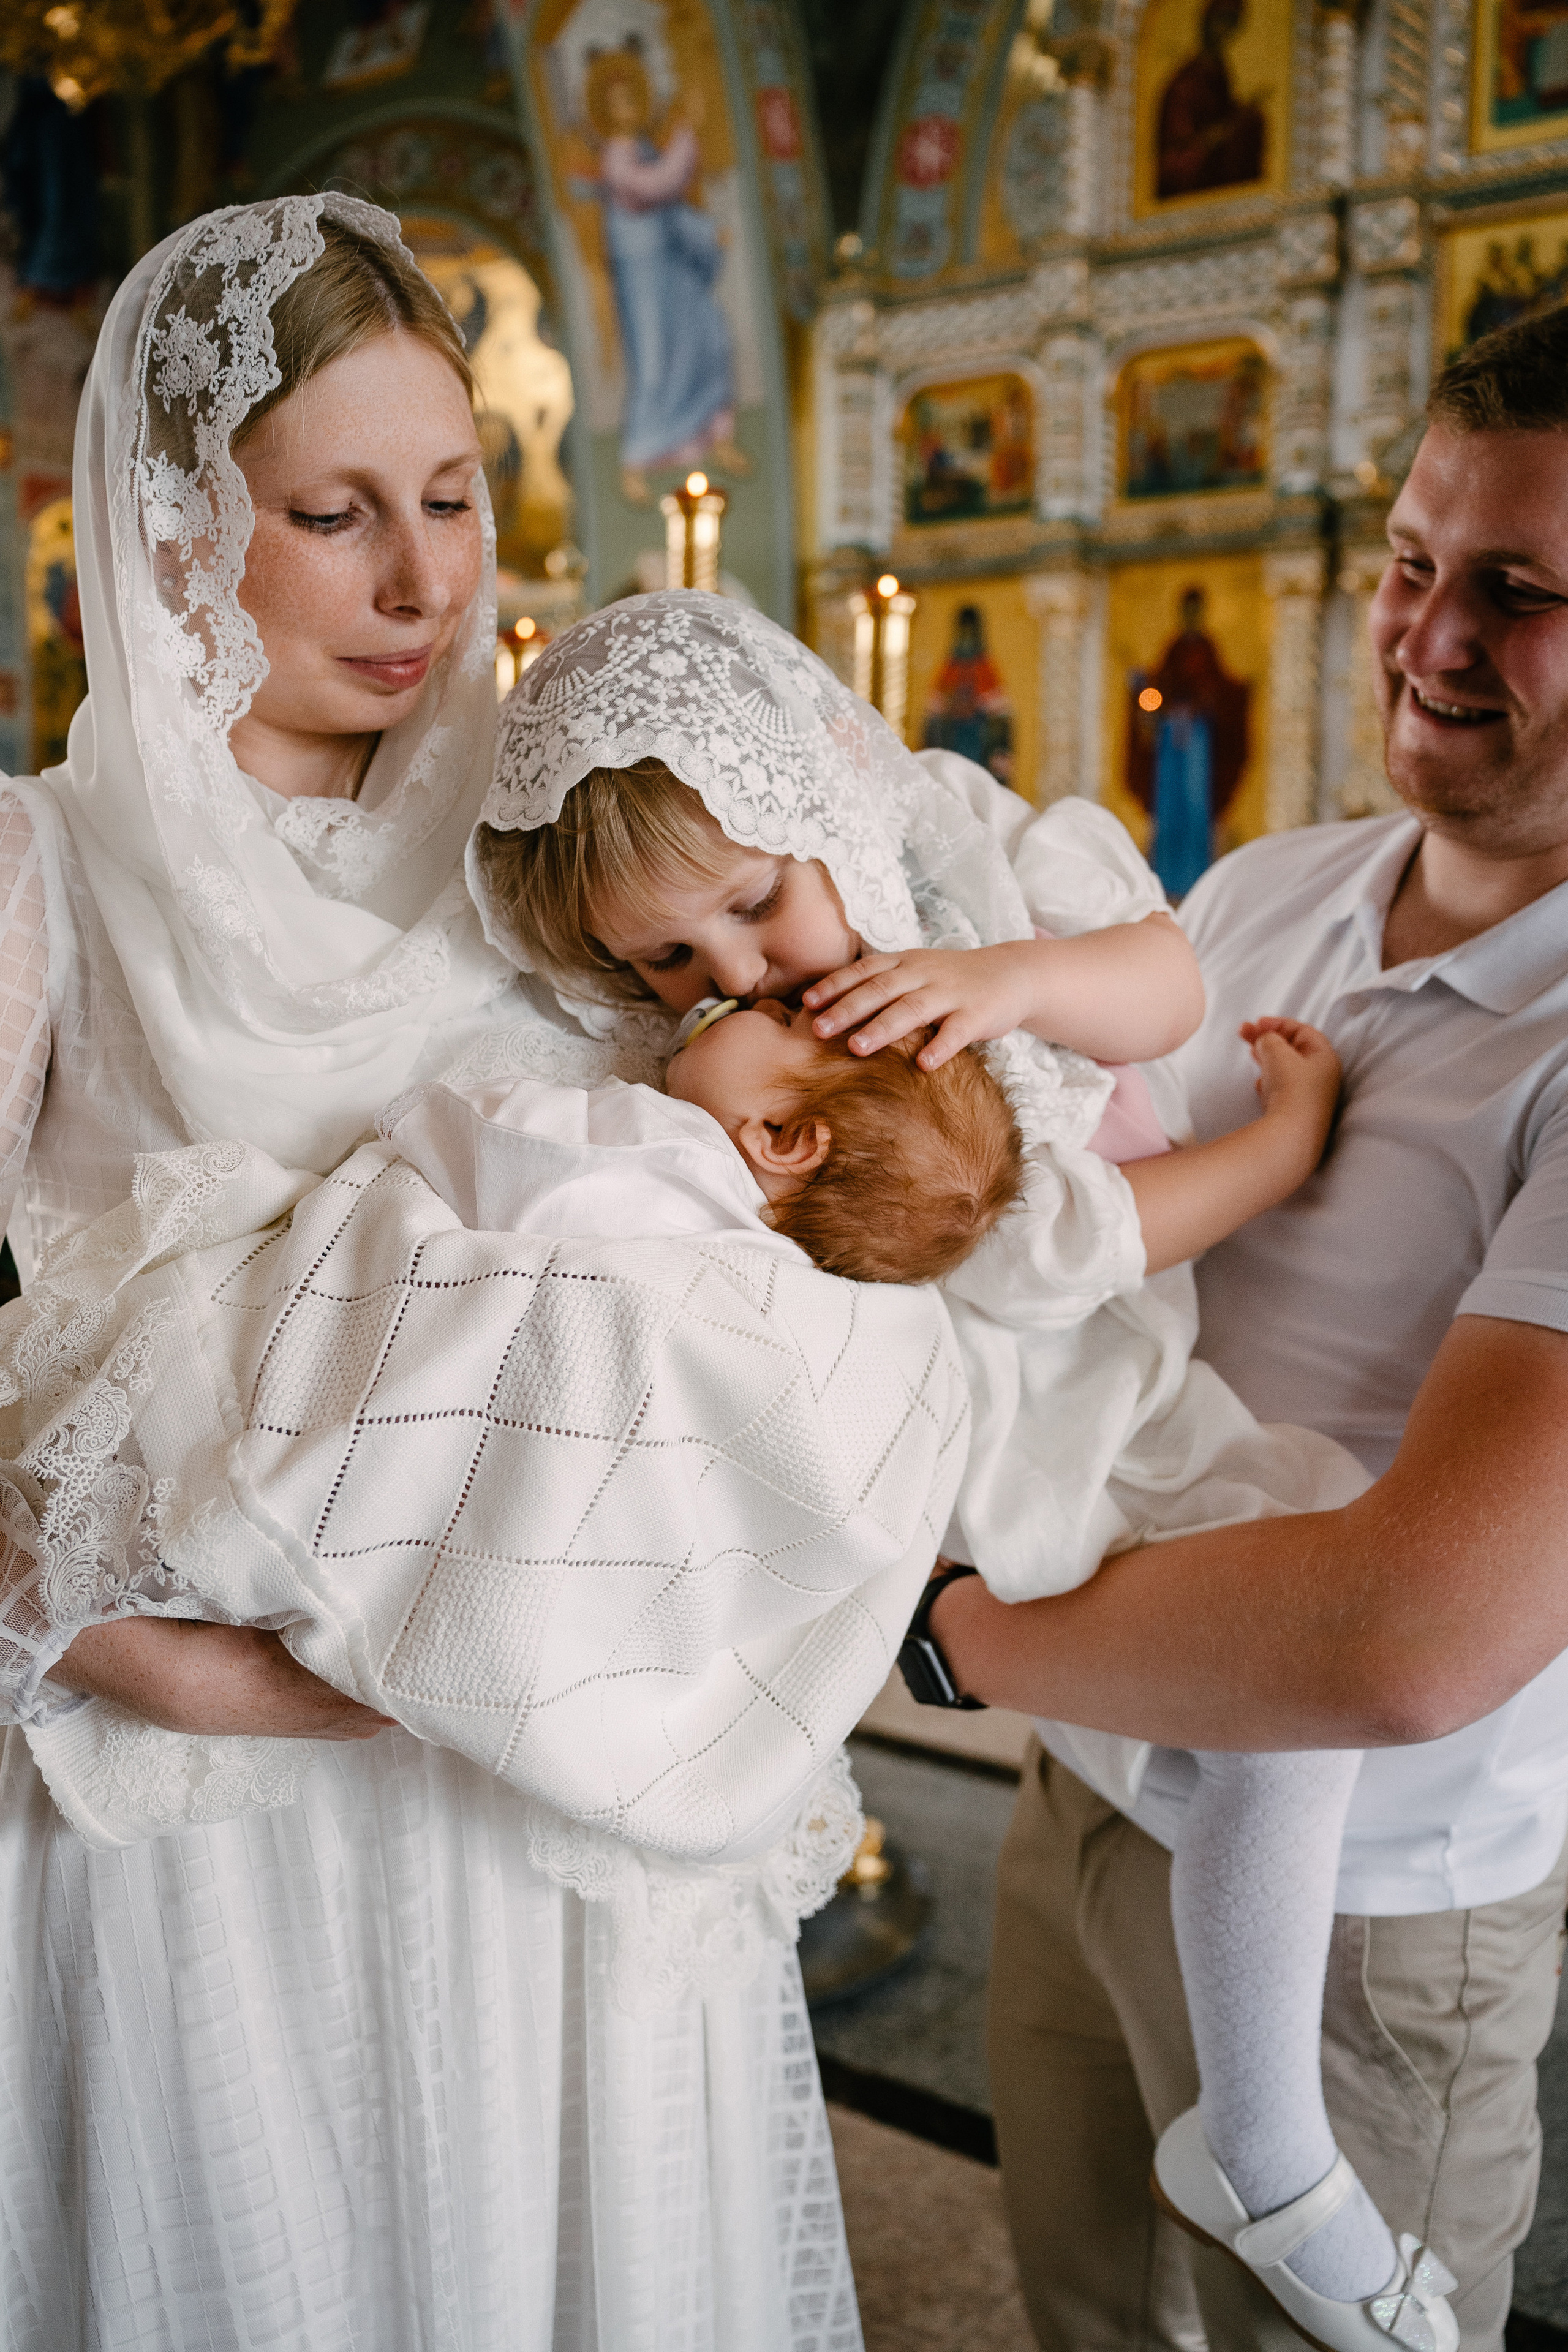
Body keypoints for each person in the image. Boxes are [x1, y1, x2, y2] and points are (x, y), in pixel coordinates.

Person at [0, 198, 967, 2350]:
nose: (428, 582)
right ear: (170, 533)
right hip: (206, 1788)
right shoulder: (41, 873)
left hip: (542, 1777)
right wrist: (147, 1658)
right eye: (335, 514)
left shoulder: (568, 866)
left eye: (453, 497)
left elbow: (762, 1210)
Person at [464, 598, 1455, 2346]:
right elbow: (1085, 1238)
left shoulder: (949, 850)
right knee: (1278, 1673)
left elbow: (1162, 976)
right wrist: (1284, 1148)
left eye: (756, 902)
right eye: (667, 966)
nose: (738, 975)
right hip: (1067, 1441)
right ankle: (1267, 2133)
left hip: (1133, 1387)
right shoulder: (753, 1094)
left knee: (1272, 1722)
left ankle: (1259, 2122)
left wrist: (1002, 981)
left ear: (824, 782)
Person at [920, 304, 1568, 2350]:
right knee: (1084, 2308)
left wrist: (958, 1633)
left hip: (1367, 1912)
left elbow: (1411, 1641)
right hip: (1091, 1794)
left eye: (1524, 596)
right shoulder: (1267, 892)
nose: (1430, 639)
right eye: (1407, 563)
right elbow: (1075, 1212)